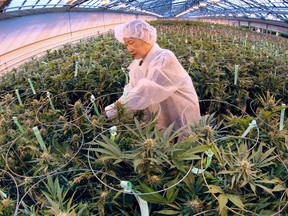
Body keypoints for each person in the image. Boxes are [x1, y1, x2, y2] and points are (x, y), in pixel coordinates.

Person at [105, 19, 200, 133]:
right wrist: (114, 108)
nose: (129, 49)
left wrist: (114, 110)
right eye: (126, 45)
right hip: (161, 115)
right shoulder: (137, 64)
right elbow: (131, 90)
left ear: (145, 38)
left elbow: (146, 90)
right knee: (165, 141)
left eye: (131, 42)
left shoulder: (164, 57)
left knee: (183, 141)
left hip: (180, 111)